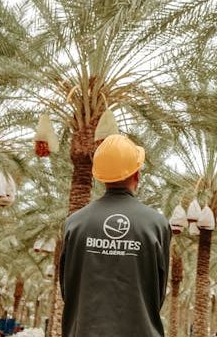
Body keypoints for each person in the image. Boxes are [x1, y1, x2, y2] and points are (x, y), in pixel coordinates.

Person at [60, 134, 171, 336]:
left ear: (99, 176)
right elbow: (158, 292)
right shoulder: (157, 225)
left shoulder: (74, 224)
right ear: (137, 174)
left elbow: (67, 288)